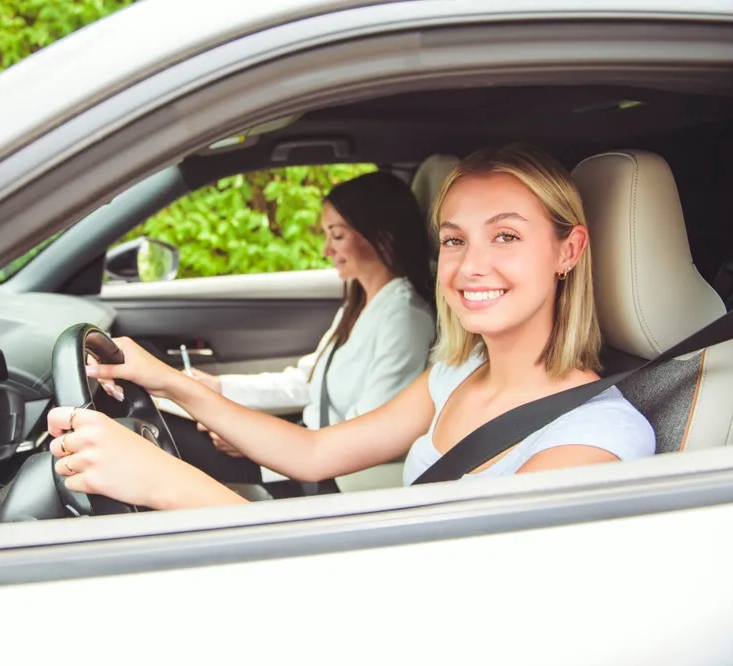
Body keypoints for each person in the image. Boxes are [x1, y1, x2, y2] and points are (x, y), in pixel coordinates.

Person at [48, 143, 656, 511]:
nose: (472, 266)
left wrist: (164, 483)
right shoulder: (461, 372)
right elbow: (315, 453)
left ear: (568, 250)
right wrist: (167, 381)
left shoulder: (591, 439)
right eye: (454, 240)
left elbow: (424, 602)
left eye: (505, 236)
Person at [181, 170, 436, 465]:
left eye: (337, 235)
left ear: (382, 235)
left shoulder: (405, 319)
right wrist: (219, 387)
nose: (326, 250)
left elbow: (369, 432)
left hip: (331, 469)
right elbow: (310, 380)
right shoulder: (360, 305)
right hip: (309, 451)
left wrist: (262, 441)